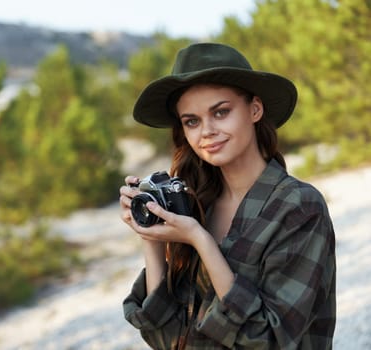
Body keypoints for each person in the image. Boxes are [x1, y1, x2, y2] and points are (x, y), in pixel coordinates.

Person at [119, 43, 336, 349]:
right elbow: (165, 338)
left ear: (255, 109)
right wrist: (151, 236)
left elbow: (270, 341)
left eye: (220, 112)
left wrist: (201, 241)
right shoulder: (197, 204)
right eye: (191, 121)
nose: (206, 131)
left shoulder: (299, 207)